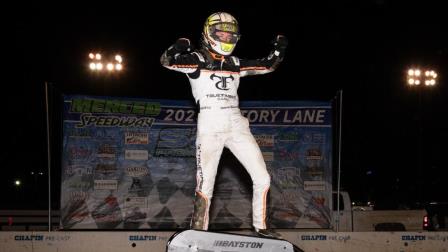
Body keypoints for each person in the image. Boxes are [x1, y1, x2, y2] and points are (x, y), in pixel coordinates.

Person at [160, 12, 287, 238]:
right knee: (205, 183)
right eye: (221, 33)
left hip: (237, 124)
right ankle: (199, 231)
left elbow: (268, 65)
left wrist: (279, 50)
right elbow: (167, 62)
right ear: (209, 34)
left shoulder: (235, 63)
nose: (226, 38)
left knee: (263, 178)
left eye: (230, 34)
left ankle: (261, 227)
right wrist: (176, 48)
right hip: (210, 124)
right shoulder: (197, 59)